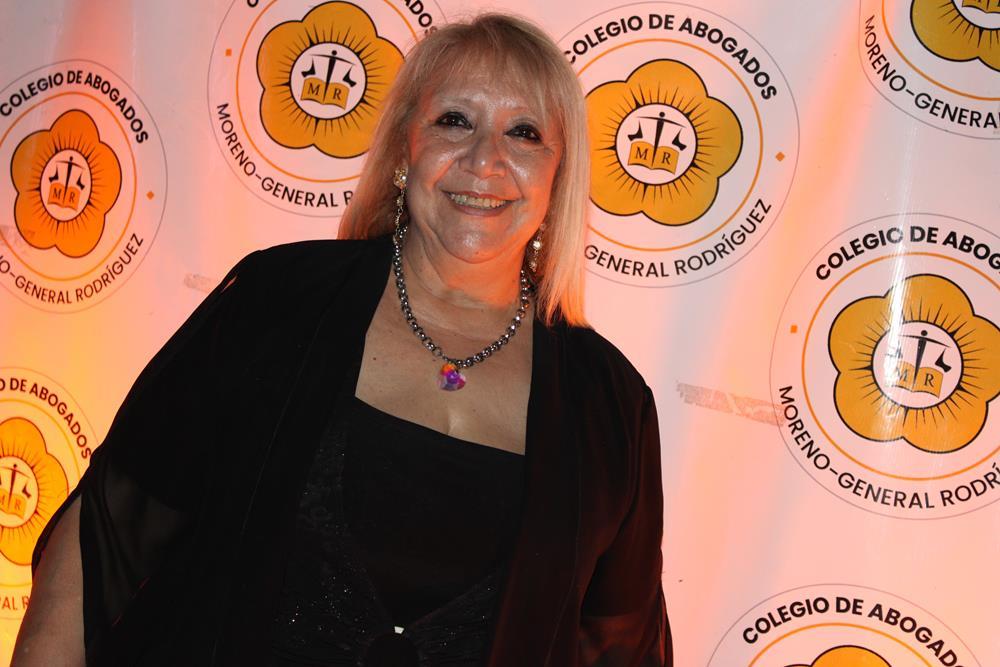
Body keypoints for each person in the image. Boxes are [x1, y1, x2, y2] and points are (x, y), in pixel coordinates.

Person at [14, 13, 670, 666]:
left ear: (559, 176)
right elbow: (107, 528)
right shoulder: (278, 299)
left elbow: (621, 645)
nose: (484, 160)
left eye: (524, 133)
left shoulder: (609, 404)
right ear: (404, 150)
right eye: (454, 121)